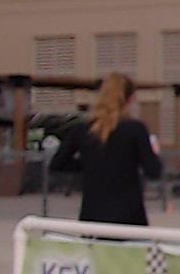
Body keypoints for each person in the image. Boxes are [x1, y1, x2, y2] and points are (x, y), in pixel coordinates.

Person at [48, 72, 163, 225]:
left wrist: (87, 165)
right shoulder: (135, 129)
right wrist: (154, 154)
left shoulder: (82, 130)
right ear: (129, 99)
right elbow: (153, 171)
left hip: (92, 217)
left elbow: (57, 164)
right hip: (129, 217)